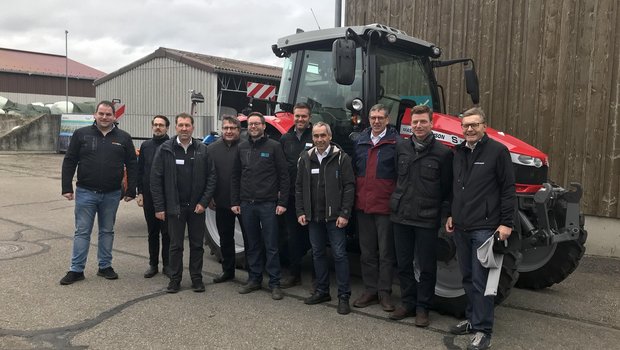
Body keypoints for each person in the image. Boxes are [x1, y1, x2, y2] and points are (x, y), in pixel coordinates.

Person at [445, 107, 516, 350]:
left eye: (474, 125)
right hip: (462, 226)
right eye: (465, 125)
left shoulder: (498, 152)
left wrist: (507, 223)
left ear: (484, 126)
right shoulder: (458, 152)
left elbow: (508, 190)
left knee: (482, 280)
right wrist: (451, 213)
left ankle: (483, 330)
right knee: (466, 277)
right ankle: (472, 319)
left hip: (485, 229)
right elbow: (456, 187)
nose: (470, 129)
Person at [59, 100, 137, 285]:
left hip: (112, 194)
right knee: (82, 231)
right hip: (86, 192)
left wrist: (131, 189)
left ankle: (105, 266)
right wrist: (66, 187)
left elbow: (133, 165)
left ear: (114, 116)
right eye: (101, 113)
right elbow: (70, 160)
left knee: (107, 231)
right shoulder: (81, 134)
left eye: (108, 114)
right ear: (95, 115)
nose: (104, 117)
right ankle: (76, 270)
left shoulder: (124, 138)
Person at [389, 105, 453, 327]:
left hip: (427, 217)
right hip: (401, 215)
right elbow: (397, 177)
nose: (418, 126)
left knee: (427, 266)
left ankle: (423, 308)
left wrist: (444, 214)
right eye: (415, 122)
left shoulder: (443, 154)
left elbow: (446, 188)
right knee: (404, 264)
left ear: (431, 123)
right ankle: (407, 303)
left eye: (423, 121)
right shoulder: (402, 148)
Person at [150, 113, 216, 293]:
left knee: (196, 245)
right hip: (174, 208)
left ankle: (196, 279)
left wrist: (204, 202)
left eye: (187, 125)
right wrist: (159, 206)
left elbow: (212, 177)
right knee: (175, 246)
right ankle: (175, 279)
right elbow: (155, 180)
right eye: (181, 125)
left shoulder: (203, 149)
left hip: (197, 208)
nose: (184, 128)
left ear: (193, 128)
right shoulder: (165, 149)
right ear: (176, 127)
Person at [296, 122, 355, 315]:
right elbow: (299, 187)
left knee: (339, 255)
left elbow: (349, 187)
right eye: (316, 136)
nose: (319, 139)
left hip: (335, 217)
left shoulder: (341, 158)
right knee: (318, 253)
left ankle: (344, 296)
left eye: (323, 136)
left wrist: (344, 213)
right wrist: (300, 211)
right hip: (313, 217)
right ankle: (322, 291)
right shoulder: (305, 158)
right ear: (312, 137)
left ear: (330, 137)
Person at [231, 112, 289, 300]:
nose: (254, 127)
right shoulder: (242, 147)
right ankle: (254, 279)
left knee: (271, 244)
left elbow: (283, 176)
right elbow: (235, 176)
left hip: (268, 204)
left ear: (264, 126)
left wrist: (282, 202)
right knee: (253, 244)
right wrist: (235, 201)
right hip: (247, 204)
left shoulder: (274, 147)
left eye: (257, 124)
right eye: (251, 124)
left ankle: (275, 283)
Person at [352, 103, 398, 312]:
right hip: (363, 205)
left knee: (386, 253)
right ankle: (370, 289)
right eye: (373, 118)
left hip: (385, 207)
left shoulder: (396, 143)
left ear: (387, 120)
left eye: (381, 117)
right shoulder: (360, 141)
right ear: (368, 119)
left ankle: (385, 292)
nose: (377, 121)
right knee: (367, 252)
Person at [207, 115, 246, 283]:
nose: (229, 131)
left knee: (251, 239)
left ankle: (254, 276)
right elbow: (208, 175)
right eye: (226, 128)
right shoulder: (212, 149)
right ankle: (228, 271)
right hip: (221, 201)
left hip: (243, 202)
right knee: (225, 238)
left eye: (233, 128)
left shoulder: (246, 148)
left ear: (239, 130)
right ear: (221, 130)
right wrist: (209, 197)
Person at [279, 102, 313, 288]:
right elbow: (281, 168)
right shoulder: (285, 139)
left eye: (304, 116)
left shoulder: (316, 136)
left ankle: (318, 277)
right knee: (292, 235)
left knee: (314, 236)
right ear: (293, 116)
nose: (300, 119)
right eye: (297, 116)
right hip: (292, 195)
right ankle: (294, 273)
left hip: (312, 196)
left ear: (309, 117)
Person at [137, 115, 171, 278]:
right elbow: (140, 170)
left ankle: (167, 265)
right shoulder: (146, 146)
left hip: (167, 197)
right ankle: (153, 264)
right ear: (152, 127)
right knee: (152, 232)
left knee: (167, 233)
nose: (158, 127)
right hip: (149, 196)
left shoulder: (172, 146)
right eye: (156, 125)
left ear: (167, 128)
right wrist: (140, 193)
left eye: (161, 125)